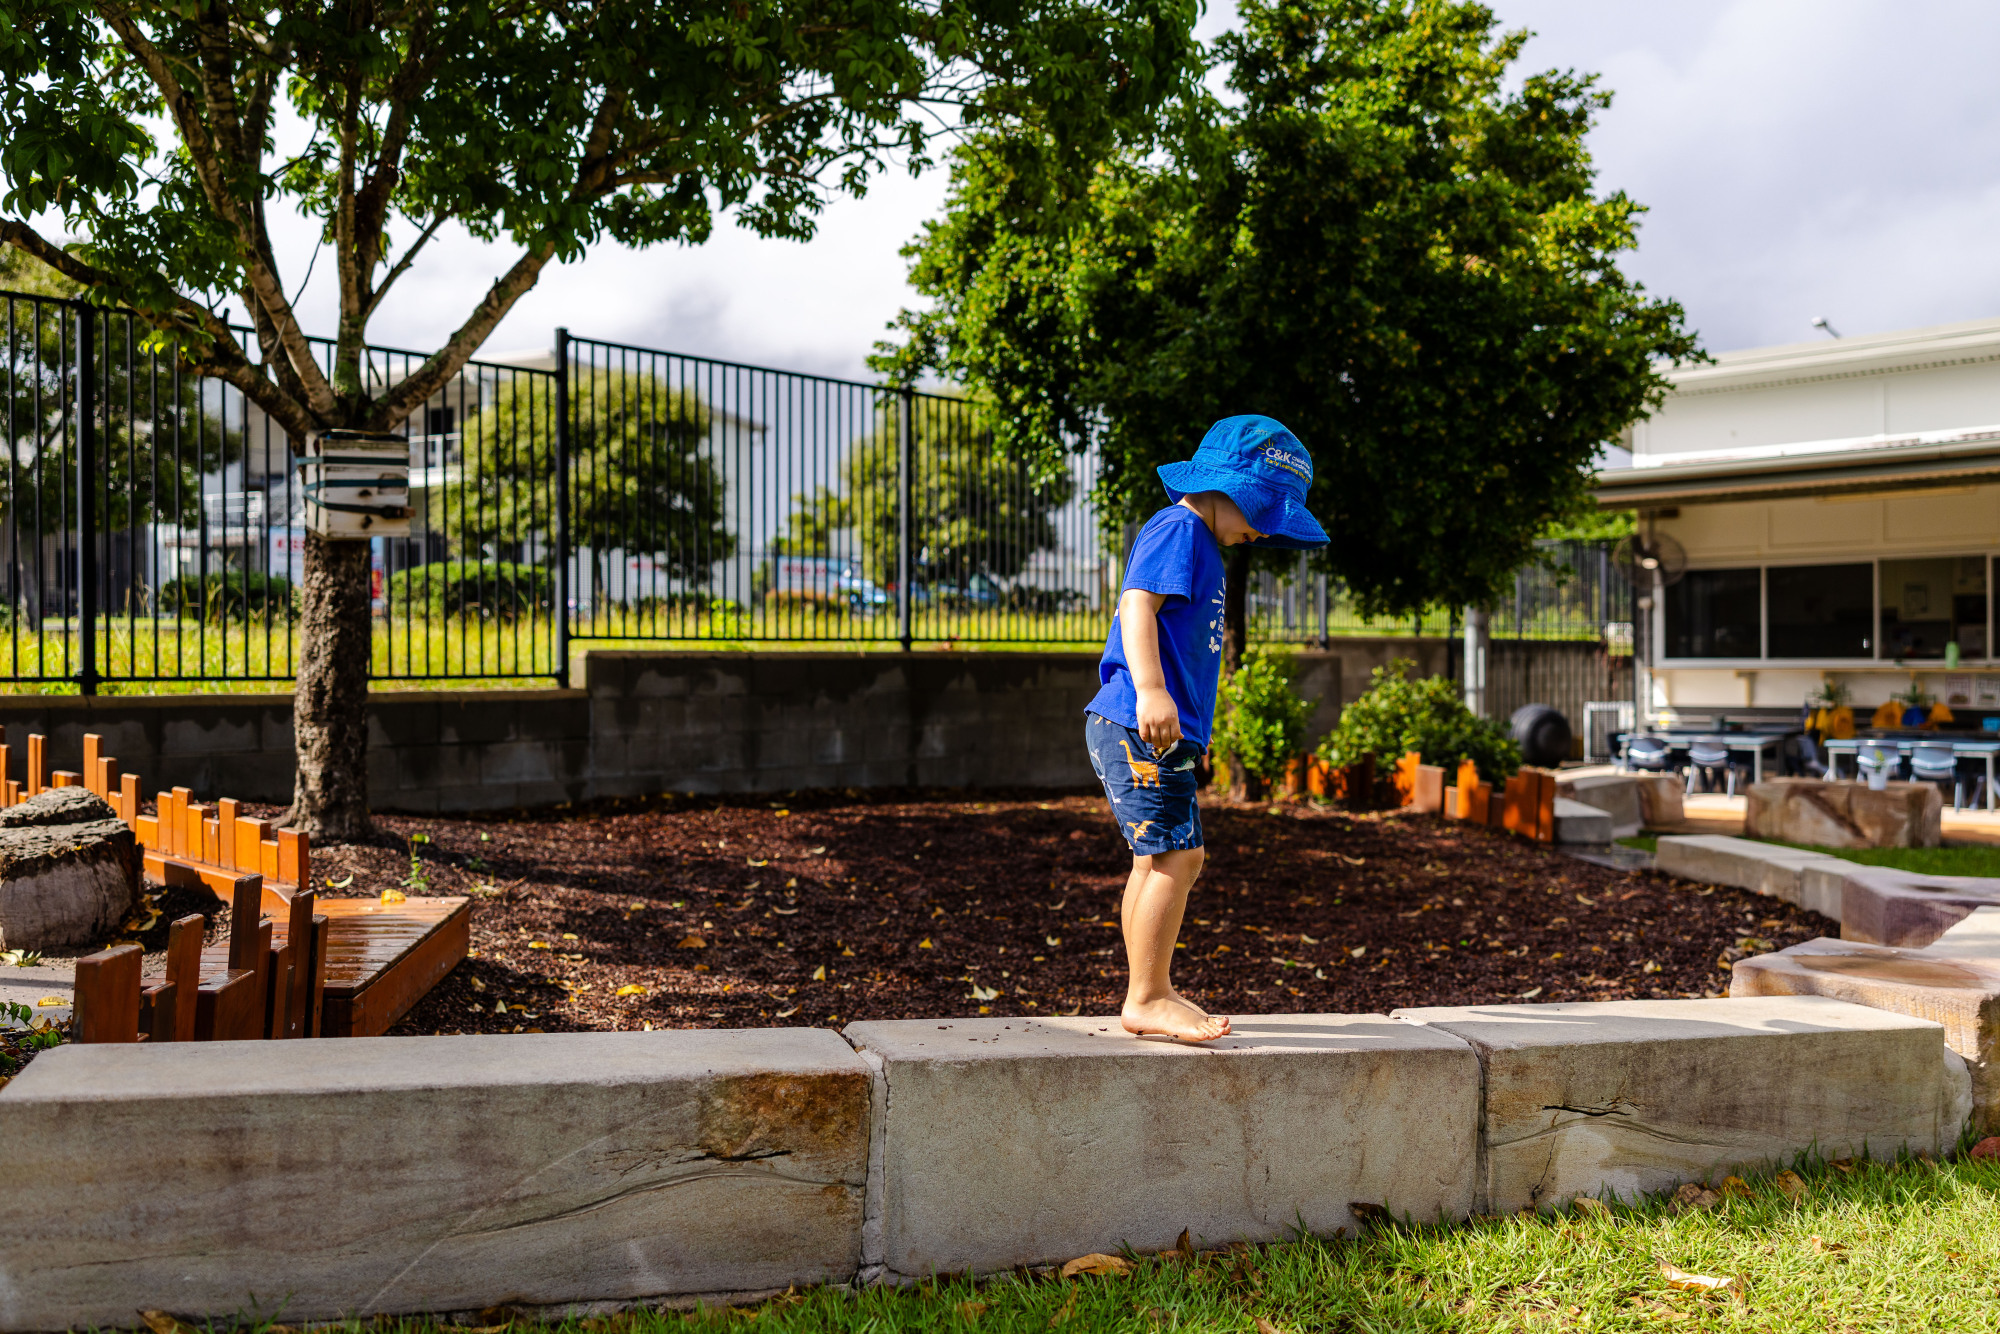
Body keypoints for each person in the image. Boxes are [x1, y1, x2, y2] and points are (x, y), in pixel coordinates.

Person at [1083, 415, 1329, 1042]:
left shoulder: (1199, 541)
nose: (1262, 532)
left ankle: (1148, 989)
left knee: (1156, 860)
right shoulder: (1180, 528)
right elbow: (1136, 605)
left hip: (1154, 731)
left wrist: (1191, 728)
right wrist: (1150, 690)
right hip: (1135, 720)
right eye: (1264, 513)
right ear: (1230, 488)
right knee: (1179, 855)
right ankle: (1147, 997)